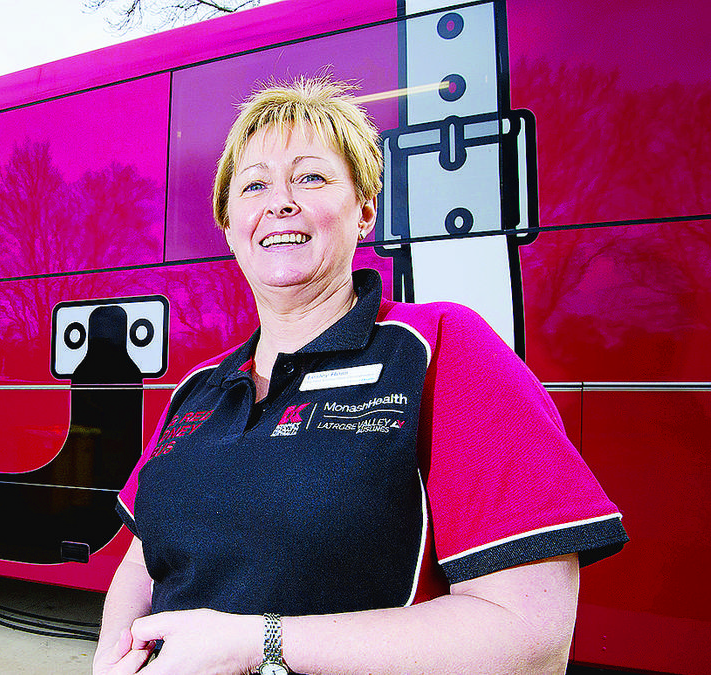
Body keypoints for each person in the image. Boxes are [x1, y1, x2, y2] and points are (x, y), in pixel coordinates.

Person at [92, 76, 627, 675]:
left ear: (364, 211)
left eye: (311, 177)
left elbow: (530, 640)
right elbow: (142, 561)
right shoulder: (199, 389)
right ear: (229, 225)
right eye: (254, 185)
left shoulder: (443, 348)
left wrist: (255, 644)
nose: (279, 201)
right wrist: (114, 655)